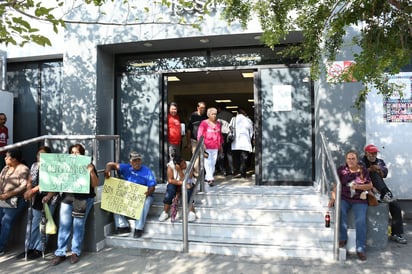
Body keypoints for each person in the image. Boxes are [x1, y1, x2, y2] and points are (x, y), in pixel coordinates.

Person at [51, 144, 99, 266]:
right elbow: (57, 181)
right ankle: (60, 253)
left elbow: (95, 184)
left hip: (83, 199)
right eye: (72, 152)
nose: (74, 155)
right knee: (64, 226)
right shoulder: (65, 166)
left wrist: (91, 172)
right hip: (67, 198)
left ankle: (75, 252)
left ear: (82, 154)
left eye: (77, 152)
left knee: (78, 226)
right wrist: (48, 195)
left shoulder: (89, 165)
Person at [14, 146, 60, 260]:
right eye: (39, 154)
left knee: (44, 224)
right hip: (37, 198)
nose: (41, 157)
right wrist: (29, 190)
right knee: (34, 223)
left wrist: (48, 196)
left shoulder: (53, 167)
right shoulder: (34, 165)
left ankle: (39, 248)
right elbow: (30, 180)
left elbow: (56, 183)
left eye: (44, 154)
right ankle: (30, 247)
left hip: (49, 197)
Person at [328, 150, 373, 261]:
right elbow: (335, 184)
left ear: (357, 160)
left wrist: (358, 186)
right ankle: (342, 238)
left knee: (361, 221)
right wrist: (333, 198)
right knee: (340, 212)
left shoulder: (363, 170)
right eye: (349, 158)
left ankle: (360, 249)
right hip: (345, 198)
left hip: (359, 200)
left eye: (353, 158)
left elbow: (370, 185)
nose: (351, 160)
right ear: (346, 160)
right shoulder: (341, 170)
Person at [360, 144, 407, 244]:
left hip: (380, 188)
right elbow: (359, 175)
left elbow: (384, 174)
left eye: (375, 153)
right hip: (367, 189)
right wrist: (370, 169)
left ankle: (396, 234)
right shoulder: (361, 162)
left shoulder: (380, 161)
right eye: (371, 153)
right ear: (366, 153)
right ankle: (384, 195)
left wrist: (378, 169)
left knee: (396, 207)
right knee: (372, 172)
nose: (373, 155)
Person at [105, 151, 156, 238]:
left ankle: (138, 228)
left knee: (146, 202)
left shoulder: (147, 170)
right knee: (114, 198)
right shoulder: (126, 168)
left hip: (145, 194)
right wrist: (107, 171)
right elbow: (110, 164)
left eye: (139, 160)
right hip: (129, 195)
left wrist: (145, 194)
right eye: (135, 160)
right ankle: (123, 226)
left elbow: (152, 187)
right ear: (130, 162)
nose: (137, 162)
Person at [0, 148, 29, 256]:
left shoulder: (23, 169)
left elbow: (23, 185)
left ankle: (1, 247)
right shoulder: (5, 168)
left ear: (14, 159)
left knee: (6, 222)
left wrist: (9, 194)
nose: (5, 158)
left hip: (16, 200)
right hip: (3, 199)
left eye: (7, 156)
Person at [158, 156, 197, 222]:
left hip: (187, 183)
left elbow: (188, 180)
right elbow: (170, 180)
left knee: (188, 190)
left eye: (184, 162)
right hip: (177, 183)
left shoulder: (189, 164)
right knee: (170, 189)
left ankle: (192, 212)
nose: (185, 165)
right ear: (177, 166)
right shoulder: (170, 166)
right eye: (182, 165)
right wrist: (182, 182)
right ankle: (165, 212)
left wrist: (180, 172)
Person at [197, 107, 223, 186]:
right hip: (206, 147)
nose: (214, 116)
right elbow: (199, 135)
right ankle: (210, 179)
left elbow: (219, 135)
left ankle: (207, 177)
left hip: (215, 147)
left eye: (215, 114)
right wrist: (202, 144)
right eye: (212, 114)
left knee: (213, 163)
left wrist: (221, 145)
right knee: (207, 163)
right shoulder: (204, 123)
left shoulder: (218, 124)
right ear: (208, 115)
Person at [230, 107, 254, 178]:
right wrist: (249, 139)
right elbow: (251, 131)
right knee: (244, 159)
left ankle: (237, 172)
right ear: (244, 113)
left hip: (235, 142)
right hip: (245, 143)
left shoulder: (233, 119)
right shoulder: (248, 120)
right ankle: (243, 173)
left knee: (236, 158)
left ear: (237, 113)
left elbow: (230, 128)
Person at [186, 101, 207, 176]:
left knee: (205, 156)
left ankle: (204, 174)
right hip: (194, 140)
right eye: (201, 108)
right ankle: (197, 175)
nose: (203, 110)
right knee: (196, 157)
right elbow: (188, 130)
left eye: (204, 108)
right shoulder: (193, 116)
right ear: (197, 108)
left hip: (204, 141)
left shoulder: (206, 117)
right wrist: (188, 142)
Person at [217, 103, 234, 176]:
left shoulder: (218, 116)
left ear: (219, 108)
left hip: (221, 135)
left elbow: (217, 127)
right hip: (229, 135)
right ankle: (232, 170)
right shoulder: (231, 115)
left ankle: (223, 170)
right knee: (229, 153)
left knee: (222, 153)